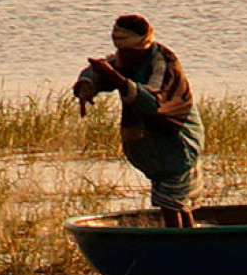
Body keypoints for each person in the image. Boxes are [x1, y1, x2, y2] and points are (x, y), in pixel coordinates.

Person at [73, 14, 204, 228]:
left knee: (174, 203)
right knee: (175, 203)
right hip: (156, 148)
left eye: (126, 51)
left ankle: (180, 247)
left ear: (141, 48)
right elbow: (99, 70)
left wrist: (117, 79)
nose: (121, 57)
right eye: (119, 51)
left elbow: (153, 101)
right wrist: (87, 84)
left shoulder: (163, 64)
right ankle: (188, 242)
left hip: (178, 140)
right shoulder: (127, 59)